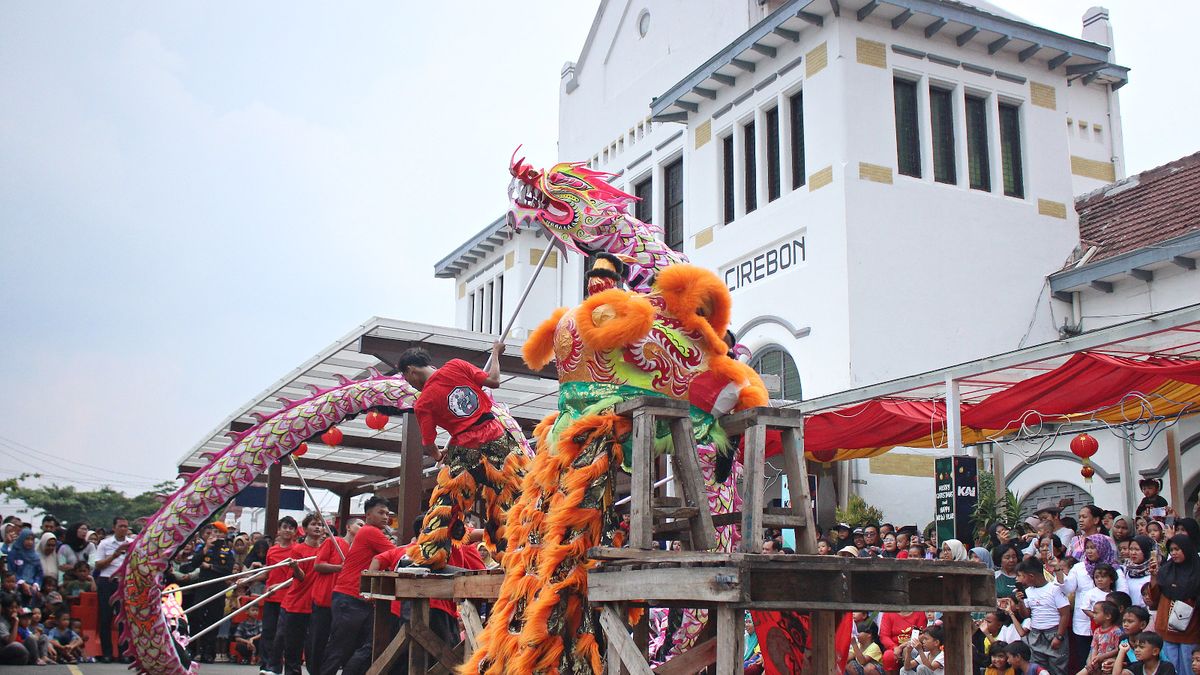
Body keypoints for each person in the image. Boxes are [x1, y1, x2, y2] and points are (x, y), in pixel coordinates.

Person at [399, 343, 529, 570]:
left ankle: (430, 554)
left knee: (446, 502)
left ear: (411, 370)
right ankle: (513, 553)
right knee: (508, 497)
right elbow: (494, 381)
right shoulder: (456, 365)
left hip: (464, 448)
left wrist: (440, 454)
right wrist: (496, 353)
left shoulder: (424, 402)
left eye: (407, 379)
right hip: (496, 439)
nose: (410, 384)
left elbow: (428, 443)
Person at [319, 496, 395, 675]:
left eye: (387, 513)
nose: (385, 517)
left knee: (365, 645)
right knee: (341, 648)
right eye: (381, 512)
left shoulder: (371, 532)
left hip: (357, 598)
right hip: (351, 597)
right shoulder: (370, 532)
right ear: (368, 515)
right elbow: (395, 553)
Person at [1061, 535, 1130, 674]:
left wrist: (1110, 617)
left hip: (1111, 625)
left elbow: (1123, 596)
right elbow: (1067, 588)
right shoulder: (1079, 567)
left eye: (1093, 547)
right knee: (1087, 660)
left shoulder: (1114, 568)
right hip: (1083, 624)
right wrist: (1058, 571)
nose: (1089, 551)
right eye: (1087, 548)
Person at [308, 518, 360, 675]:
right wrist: (340, 568)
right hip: (324, 599)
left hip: (344, 602)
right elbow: (318, 565)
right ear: (348, 527)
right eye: (359, 525)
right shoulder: (333, 542)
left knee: (338, 642)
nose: (362, 528)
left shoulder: (358, 549)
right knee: (319, 640)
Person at [1147, 535, 1200, 675]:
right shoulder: (1166, 570)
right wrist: (1153, 577)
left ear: (1187, 550)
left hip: (1190, 631)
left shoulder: (1197, 572)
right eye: (1171, 550)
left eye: (1178, 549)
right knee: (1170, 670)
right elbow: (1155, 599)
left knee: (1190, 670)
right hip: (1166, 630)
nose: (1174, 553)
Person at [279, 514, 324, 675]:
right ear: (305, 529)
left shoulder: (325, 549)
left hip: (317, 603)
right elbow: (301, 577)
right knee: (293, 646)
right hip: (297, 603)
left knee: (314, 647)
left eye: (320, 524)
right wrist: (296, 567)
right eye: (313, 524)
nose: (318, 527)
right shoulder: (298, 549)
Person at [1016, 557, 1070, 675]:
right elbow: (1026, 615)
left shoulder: (1054, 589)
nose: (1021, 580)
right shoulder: (1028, 591)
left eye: (1022, 576)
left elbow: (1065, 614)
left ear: (1031, 576)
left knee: (1058, 669)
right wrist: (1020, 602)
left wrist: (1059, 636)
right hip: (1036, 634)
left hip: (1054, 632)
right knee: (1037, 670)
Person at [191, 524, 234, 663]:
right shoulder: (202, 547)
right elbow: (194, 563)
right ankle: (192, 649)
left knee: (214, 619)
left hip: (218, 588)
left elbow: (228, 570)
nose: (214, 535)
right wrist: (206, 548)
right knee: (196, 615)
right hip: (203, 586)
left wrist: (211, 567)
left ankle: (208, 652)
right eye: (212, 532)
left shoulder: (227, 551)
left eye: (217, 532)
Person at [260, 516, 298, 674]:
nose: (288, 530)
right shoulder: (272, 550)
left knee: (282, 635)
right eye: (285, 527)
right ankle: (266, 666)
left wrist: (277, 586)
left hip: (287, 598)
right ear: (279, 529)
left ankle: (275, 667)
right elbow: (267, 573)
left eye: (291, 528)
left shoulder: (296, 550)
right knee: (268, 632)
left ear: (295, 531)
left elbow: (295, 577)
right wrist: (247, 579)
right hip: (271, 597)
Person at [94, 516, 132, 663]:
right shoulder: (105, 543)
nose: (124, 529)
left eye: (126, 526)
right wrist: (115, 555)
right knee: (106, 617)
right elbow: (98, 565)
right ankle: (107, 653)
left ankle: (124, 653)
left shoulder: (132, 544)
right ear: (114, 527)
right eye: (121, 526)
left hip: (124, 582)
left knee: (124, 619)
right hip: (107, 581)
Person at [1080, 601, 1122, 675]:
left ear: (1108, 616)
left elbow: (1117, 649)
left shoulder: (1116, 631)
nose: (1093, 615)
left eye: (1096, 613)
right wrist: (1093, 659)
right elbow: (1094, 646)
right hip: (1097, 658)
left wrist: (1102, 657)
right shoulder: (1097, 631)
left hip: (1110, 659)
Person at [1129, 537, 1157, 608]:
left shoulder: (1154, 570)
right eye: (1131, 549)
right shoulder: (1126, 570)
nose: (1133, 553)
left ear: (1146, 550)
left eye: (1137, 549)